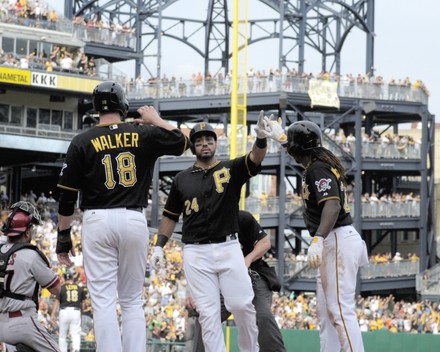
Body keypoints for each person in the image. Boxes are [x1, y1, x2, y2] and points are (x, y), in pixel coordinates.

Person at [55, 81, 189, 352]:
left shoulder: (82, 140)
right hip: (132, 219)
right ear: (122, 104)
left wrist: (63, 238)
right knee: (130, 300)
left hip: (97, 220)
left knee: (103, 300)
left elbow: (67, 196)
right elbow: (182, 143)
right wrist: (157, 120)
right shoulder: (143, 132)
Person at [150, 111, 286, 352]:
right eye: (199, 140)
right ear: (192, 146)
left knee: (242, 305)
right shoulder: (181, 179)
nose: (204, 144)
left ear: (216, 143)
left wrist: (261, 138)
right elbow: (170, 216)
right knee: (209, 316)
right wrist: (159, 244)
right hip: (195, 252)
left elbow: (255, 158)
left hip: (228, 247)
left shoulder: (230, 168)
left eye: (209, 139)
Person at [285, 120, 369, 352]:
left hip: (336, 237)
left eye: (291, 146)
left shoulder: (317, 168)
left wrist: (318, 238)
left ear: (297, 148)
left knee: (340, 308)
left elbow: (332, 206)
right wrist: (280, 138)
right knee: (326, 312)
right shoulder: (316, 163)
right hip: (335, 238)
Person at [188, 210, 286, 352]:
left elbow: (265, 243)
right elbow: (199, 260)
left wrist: (248, 259)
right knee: (204, 314)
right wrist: (197, 290)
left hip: (252, 274)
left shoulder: (242, 217)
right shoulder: (204, 224)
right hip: (221, 280)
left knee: (263, 315)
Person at [0, 201, 61, 352]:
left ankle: (8, 349)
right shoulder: (31, 255)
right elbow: (57, 290)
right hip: (22, 322)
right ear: (26, 232)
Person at [51, 269, 88, 352]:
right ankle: (76, 349)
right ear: (72, 278)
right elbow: (84, 304)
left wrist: (53, 314)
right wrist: (80, 313)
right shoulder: (79, 288)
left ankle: (62, 350)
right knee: (76, 334)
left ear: (64, 278)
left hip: (64, 311)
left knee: (62, 335)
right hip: (76, 311)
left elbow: (56, 301)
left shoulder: (61, 288)